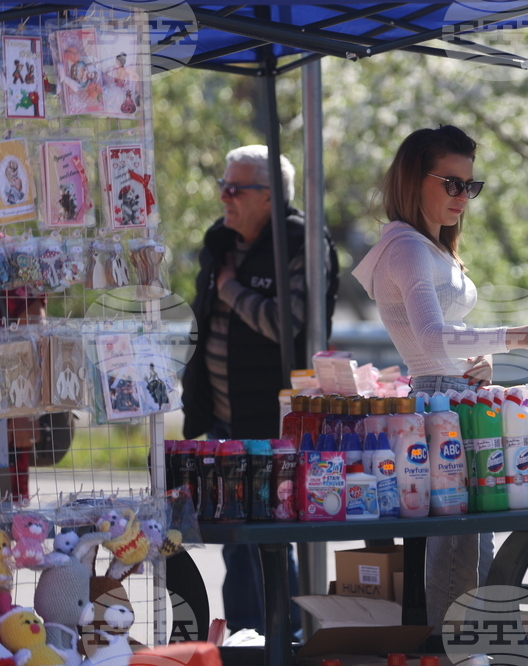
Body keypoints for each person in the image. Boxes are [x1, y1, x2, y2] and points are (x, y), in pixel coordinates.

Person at [352, 125, 528, 631]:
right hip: (437, 403)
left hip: (455, 397)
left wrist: (484, 361)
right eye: (451, 183)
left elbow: (441, 338)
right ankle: (459, 651)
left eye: (470, 186)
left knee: (476, 539)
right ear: (414, 180)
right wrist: (515, 336)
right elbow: (430, 340)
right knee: (458, 544)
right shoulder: (406, 247)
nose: (463, 197)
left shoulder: (426, 245)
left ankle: (478, 646)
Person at [182, 144, 338, 634]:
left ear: (269, 197)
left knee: (270, 538)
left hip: (273, 421)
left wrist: (231, 289)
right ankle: (246, 641)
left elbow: (287, 324)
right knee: (234, 537)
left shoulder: (300, 242)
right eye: (222, 185)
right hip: (222, 418)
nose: (225, 196)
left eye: (237, 188)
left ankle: (284, 639)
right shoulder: (221, 242)